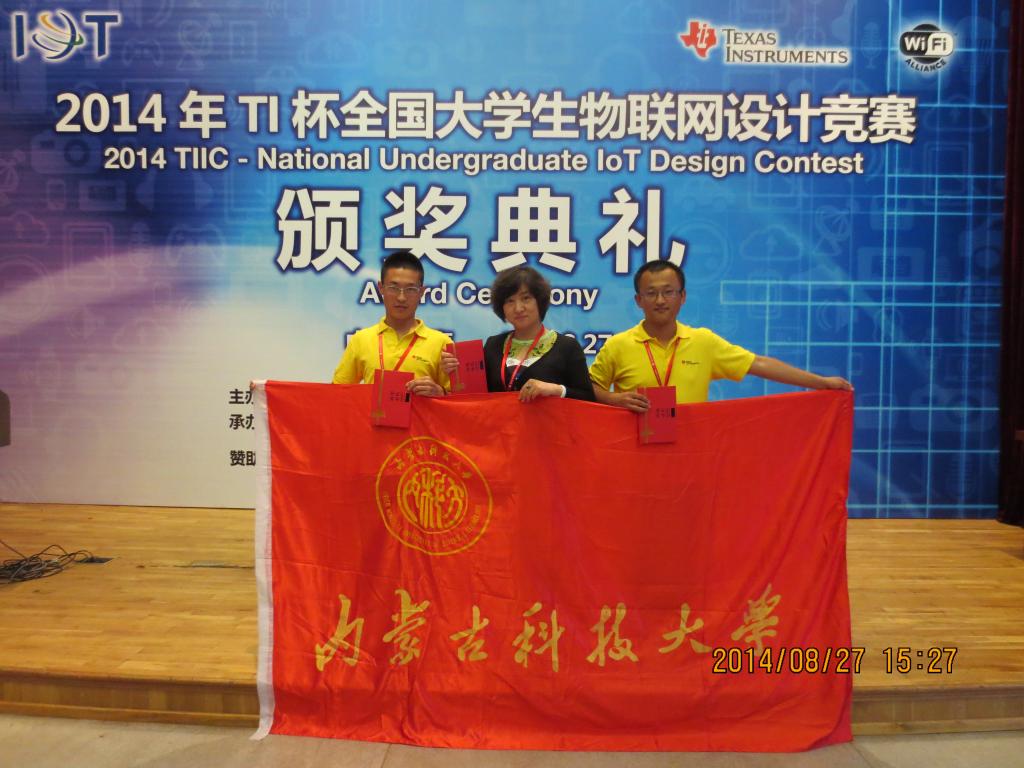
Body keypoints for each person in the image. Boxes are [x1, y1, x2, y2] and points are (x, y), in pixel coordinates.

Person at [590, 261, 851, 412]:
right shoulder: (617, 345)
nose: (660, 300)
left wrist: (820, 382)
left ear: (682, 297)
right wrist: (613, 399)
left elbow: (758, 364)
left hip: (691, 456)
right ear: (638, 300)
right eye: (651, 293)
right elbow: (587, 388)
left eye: (668, 292)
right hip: (633, 458)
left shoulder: (703, 342)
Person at [441, 266, 595, 402]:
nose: (518, 308)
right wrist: (457, 373)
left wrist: (556, 390)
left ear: (540, 301)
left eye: (526, 298)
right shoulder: (493, 345)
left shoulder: (567, 347)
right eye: (510, 301)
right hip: (500, 426)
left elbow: (588, 398)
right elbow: (476, 398)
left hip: (548, 427)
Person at [332, 251, 449, 396]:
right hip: (372, 412)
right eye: (393, 288)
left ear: (421, 292)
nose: (401, 297)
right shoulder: (360, 340)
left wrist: (441, 392)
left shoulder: (441, 343)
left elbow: (460, 401)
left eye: (411, 289)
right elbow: (337, 393)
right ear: (381, 288)